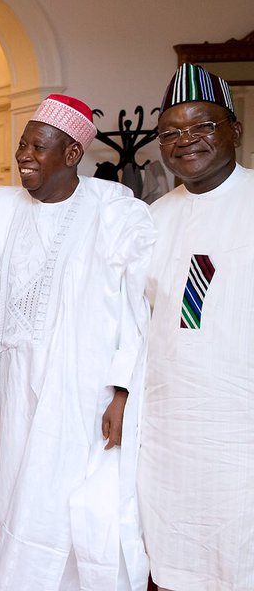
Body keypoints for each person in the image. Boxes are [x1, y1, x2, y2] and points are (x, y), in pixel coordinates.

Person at [0, 94, 154, 590]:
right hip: (16, 391)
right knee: (14, 502)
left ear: (73, 153)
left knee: (79, 513)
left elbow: (140, 308)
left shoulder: (116, 211)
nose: (24, 156)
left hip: (85, 396)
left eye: (38, 147)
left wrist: (123, 390)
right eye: (22, 145)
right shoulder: (2, 209)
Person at [139, 64, 253, 591]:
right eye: (170, 132)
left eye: (203, 126)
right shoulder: (152, 219)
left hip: (240, 425)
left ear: (235, 129)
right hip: (171, 428)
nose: (186, 140)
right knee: (177, 557)